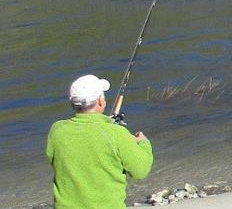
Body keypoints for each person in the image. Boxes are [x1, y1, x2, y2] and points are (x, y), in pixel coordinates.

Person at [46, 74, 154, 209]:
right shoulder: (115, 133)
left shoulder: (57, 130)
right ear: (100, 102)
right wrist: (143, 142)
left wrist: (106, 125)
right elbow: (140, 170)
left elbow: (56, 157)